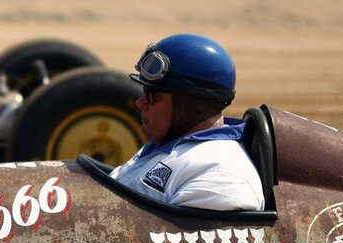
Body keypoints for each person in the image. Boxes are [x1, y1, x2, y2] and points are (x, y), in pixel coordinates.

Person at [110, 33, 264, 211]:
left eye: (152, 96)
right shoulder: (168, 143)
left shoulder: (222, 174)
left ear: (190, 103)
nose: (140, 102)